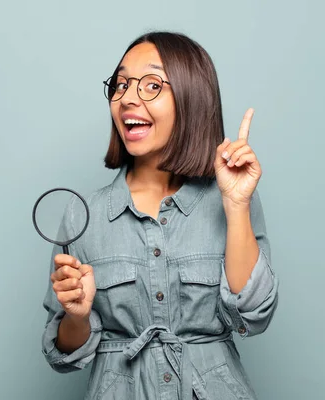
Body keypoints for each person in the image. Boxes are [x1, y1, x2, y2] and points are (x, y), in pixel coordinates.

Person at [41, 31, 279, 400]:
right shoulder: (82, 215)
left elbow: (253, 317)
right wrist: (77, 316)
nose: (128, 98)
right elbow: (64, 356)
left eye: (151, 85)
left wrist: (235, 204)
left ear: (190, 99)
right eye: (120, 85)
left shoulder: (233, 197)